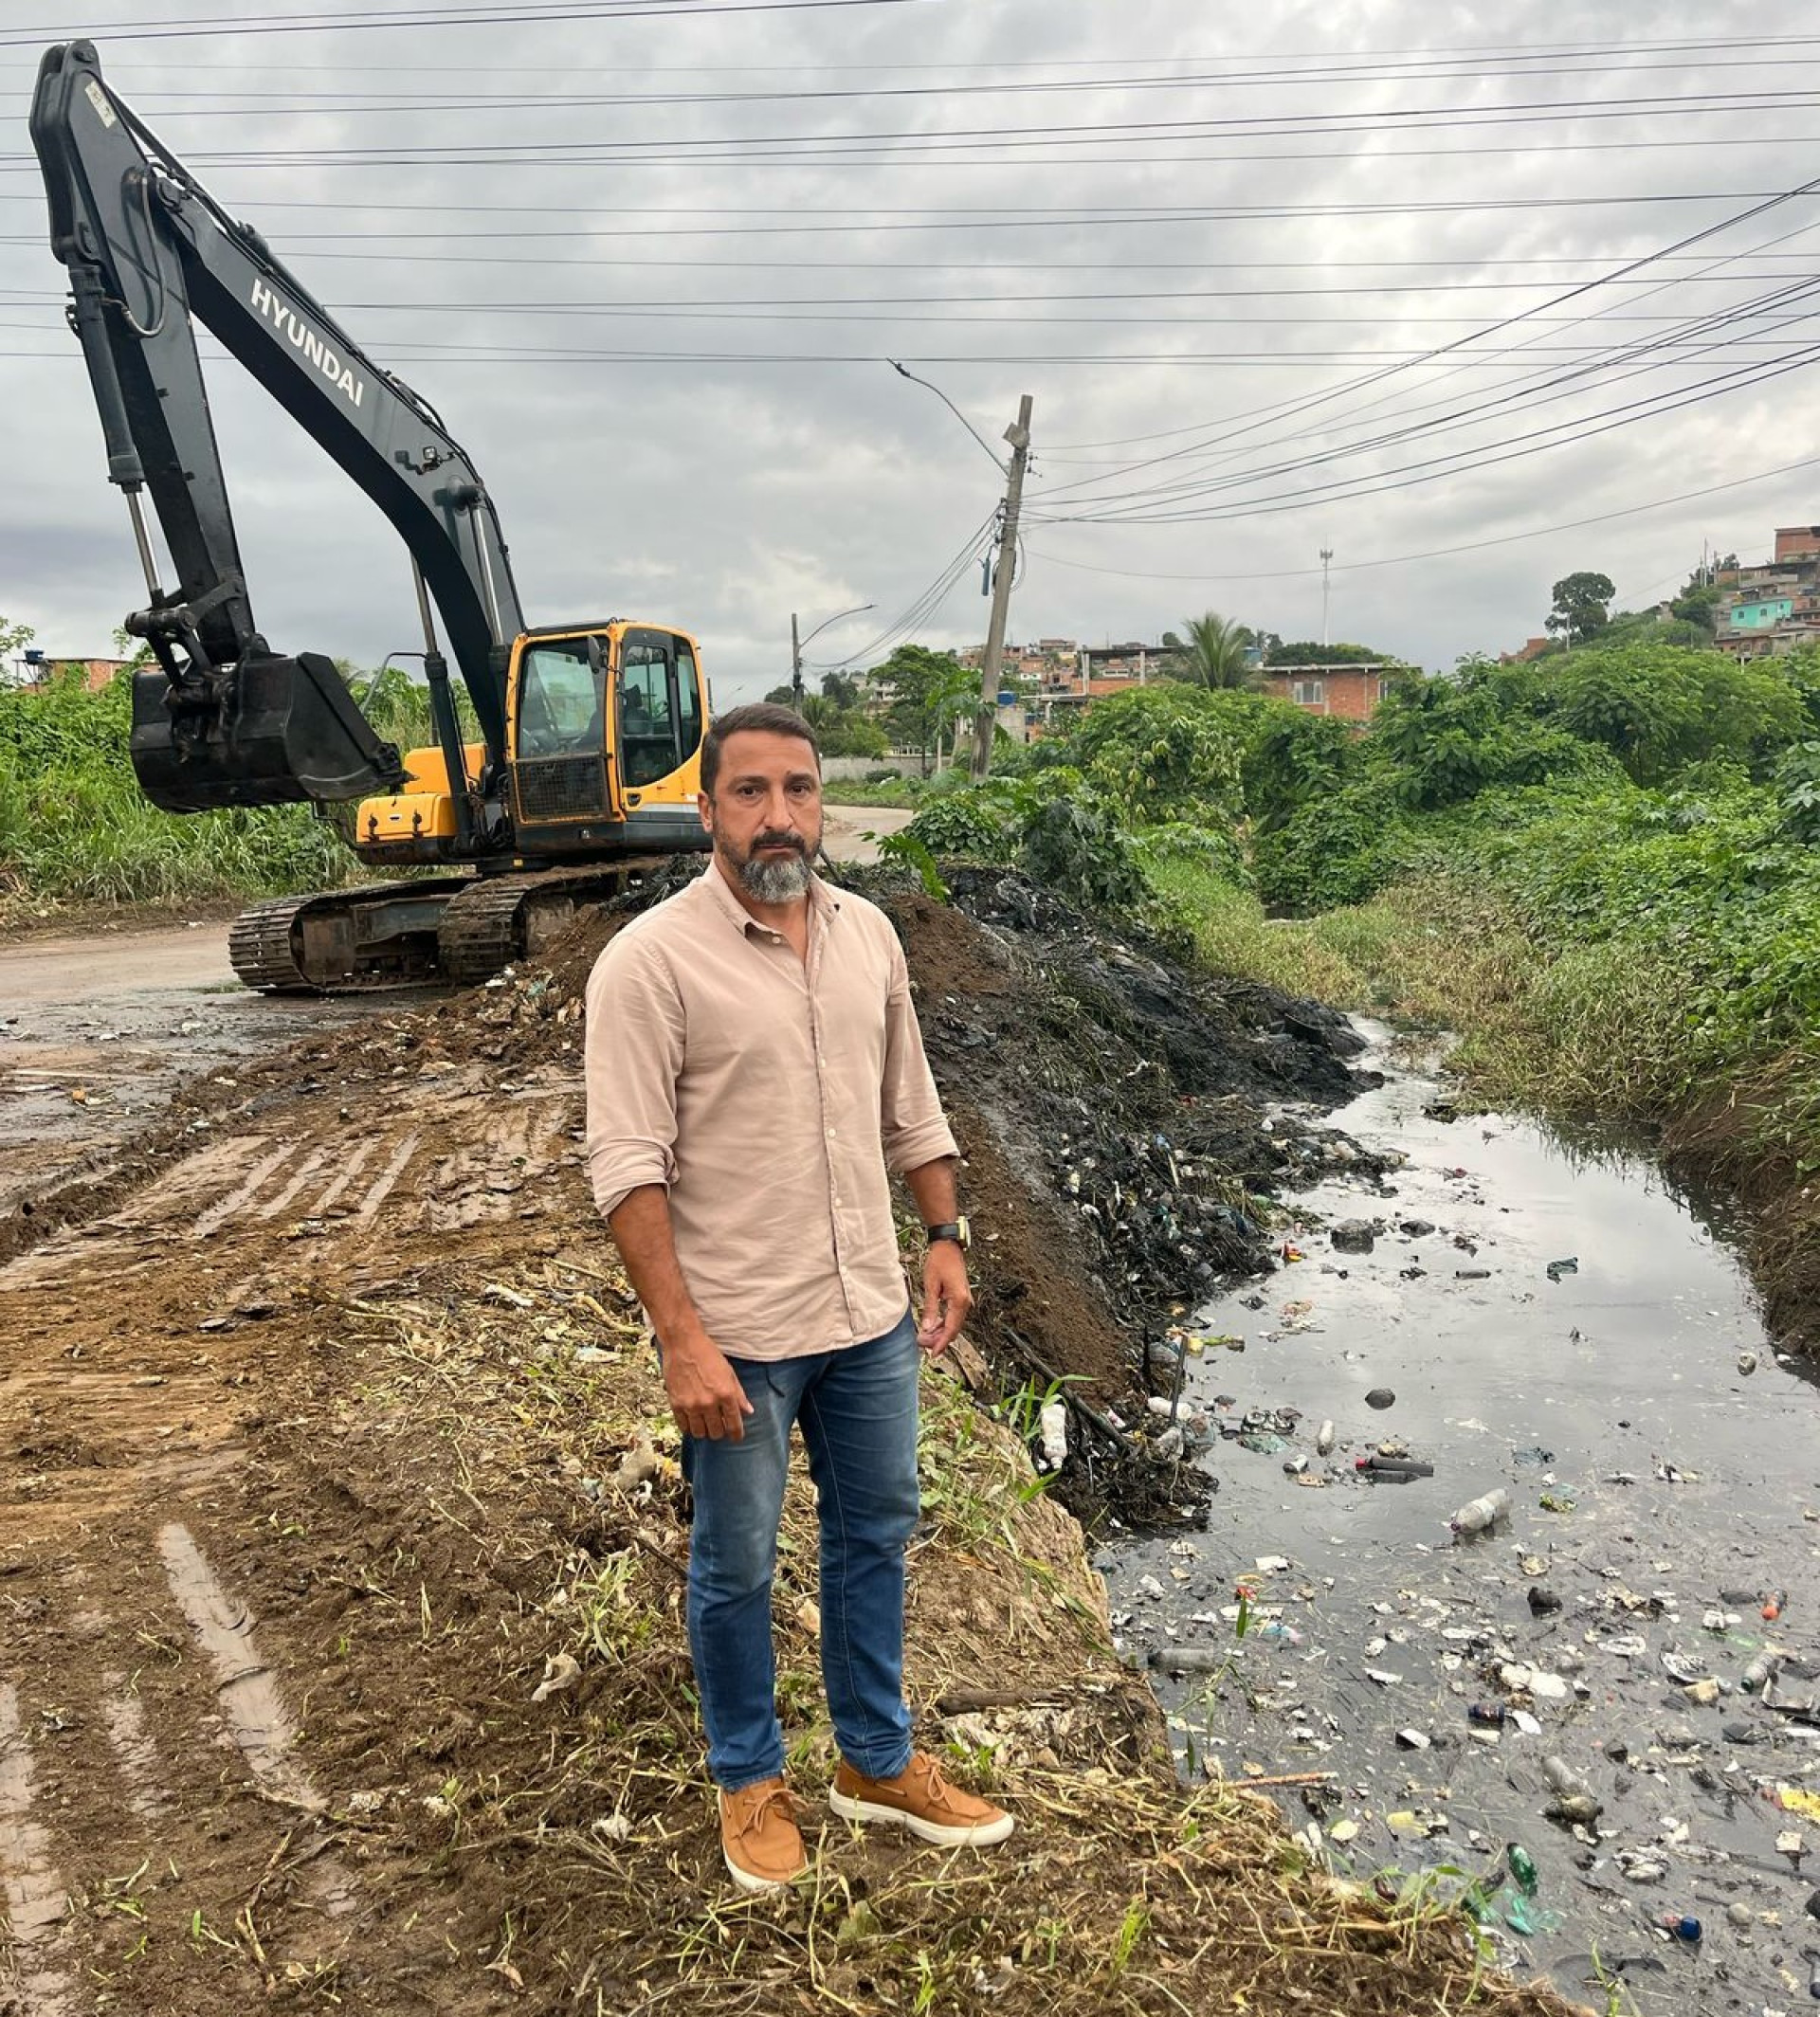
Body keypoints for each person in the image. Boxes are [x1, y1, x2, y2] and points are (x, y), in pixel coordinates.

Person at [584, 701, 1014, 1894]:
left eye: (800, 789)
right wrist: (681, 1338)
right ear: (707, 810)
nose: (779, 815)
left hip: (867, 1315)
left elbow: (911, 1103)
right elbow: (627, 1166)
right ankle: (749, 1775)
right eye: (751, 791)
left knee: (876, 1531)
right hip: (743, 1334)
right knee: (736, 1565)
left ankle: (874, 1760)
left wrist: (943, 1232)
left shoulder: (868, 934)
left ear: (821, 803)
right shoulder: (650, 963)